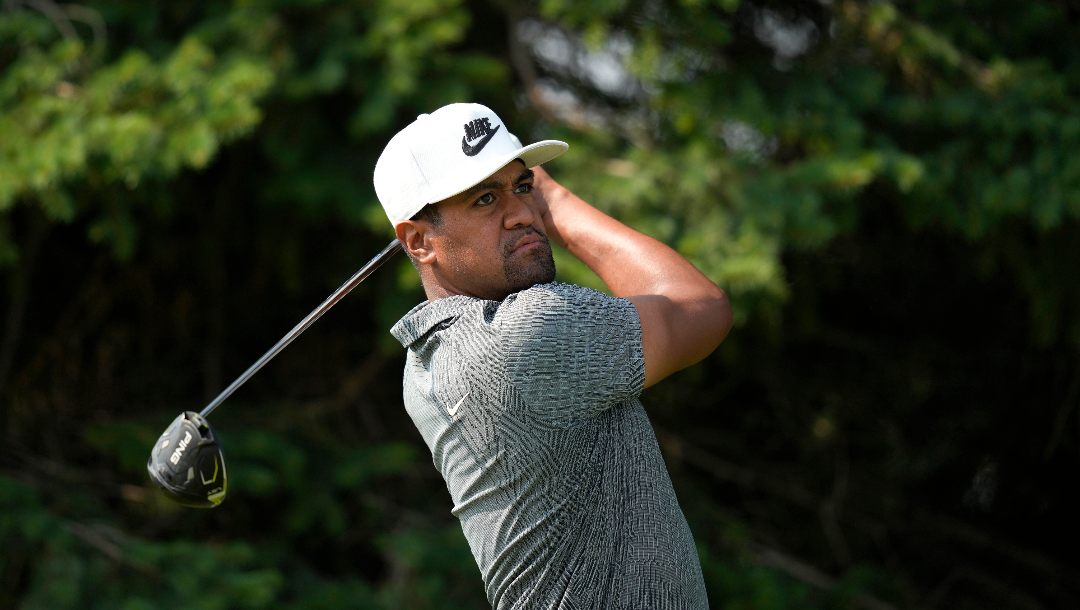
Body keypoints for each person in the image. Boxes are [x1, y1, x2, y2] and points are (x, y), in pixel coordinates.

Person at [373, 102, 732, 609]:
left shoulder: (427, 358)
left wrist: (515, 197)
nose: (522, 213)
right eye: (484, 200)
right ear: (419, 241)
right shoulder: (528, 335)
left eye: (523, 188)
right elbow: (701, 308)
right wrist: (556, 199)